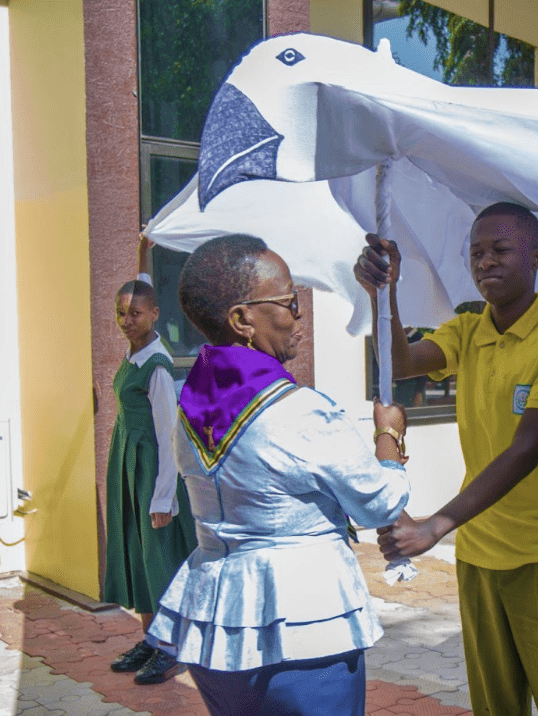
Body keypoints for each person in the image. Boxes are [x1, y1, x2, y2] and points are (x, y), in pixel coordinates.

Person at [147, 235, 411, 715]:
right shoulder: (301, 412)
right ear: (242, 319)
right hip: (303, 624)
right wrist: (389, 438)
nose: (299, 314)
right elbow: (379, 504)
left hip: (216, 622)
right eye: (289, 302)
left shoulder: (189, 407)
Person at [355, 202, 538, 716]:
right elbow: (398, 364)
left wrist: (435, 525)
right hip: (481, 553)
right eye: (476, 253)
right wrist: (385, 294)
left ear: (535, 257)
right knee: (496, 705)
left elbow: (525, 450)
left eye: (501, 250)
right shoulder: (468, 330)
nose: (486, 262)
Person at [103, 238, 198, 685]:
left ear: (155, 315)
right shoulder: (133, 352)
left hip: (152, 473)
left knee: (158, 559)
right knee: (137, 556)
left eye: (135, 313)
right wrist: (143, 252)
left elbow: (169, 436)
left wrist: (163, 497)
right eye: (121, 313)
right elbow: (140, 287)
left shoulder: (157, 367)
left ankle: (171, 647)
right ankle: (150, 638)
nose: (127, 320)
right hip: (128, 465)